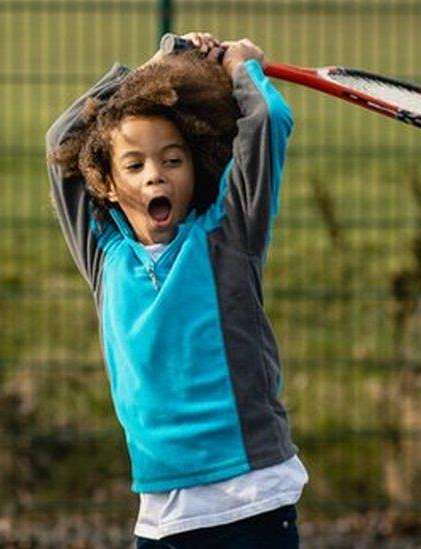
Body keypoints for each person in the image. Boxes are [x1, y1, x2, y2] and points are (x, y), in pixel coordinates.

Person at [46, 32, 308, 548]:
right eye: (135, 165)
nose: (154, 177)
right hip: (163, 516)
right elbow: (62, 141)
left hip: (255, 499)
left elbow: (268, 124)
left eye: (172, 160)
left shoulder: (228, 237)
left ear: (196, 166)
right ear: (105, 182)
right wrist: (151, 70)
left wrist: (240, 70)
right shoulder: (105, 257)